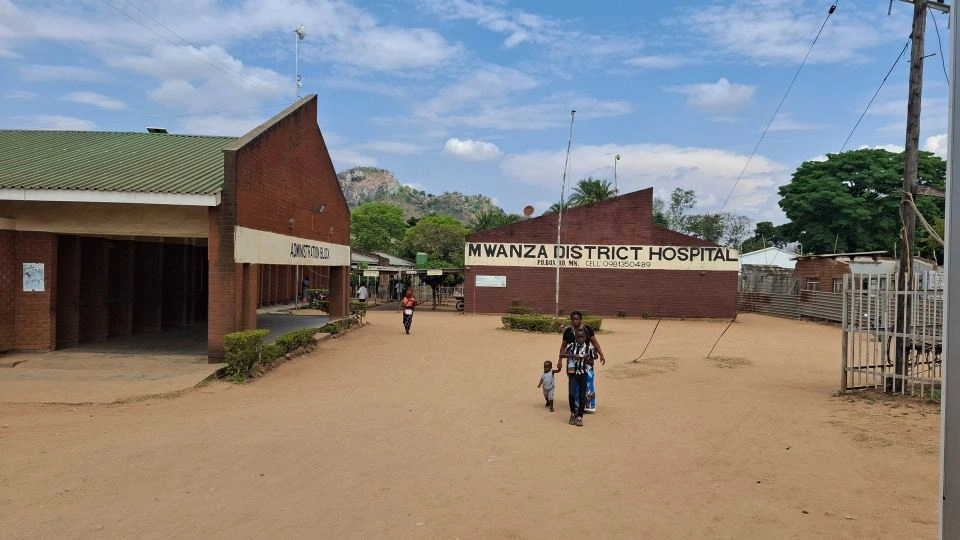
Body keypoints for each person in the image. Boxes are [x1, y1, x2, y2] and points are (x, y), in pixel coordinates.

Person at [559, 328, 595, 426]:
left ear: (585, 338)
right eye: (578, 337)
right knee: (571, 394)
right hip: (573, 374)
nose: (580, 339)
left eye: (582, 337)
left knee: (582, 396)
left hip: (583, 374)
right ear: (575, 337)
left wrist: (587, 360)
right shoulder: (571, 346)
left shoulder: (589, 349)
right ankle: (573, 413)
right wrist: (573, 355)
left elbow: (592, 363)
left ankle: (579, 417)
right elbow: (561, 354)